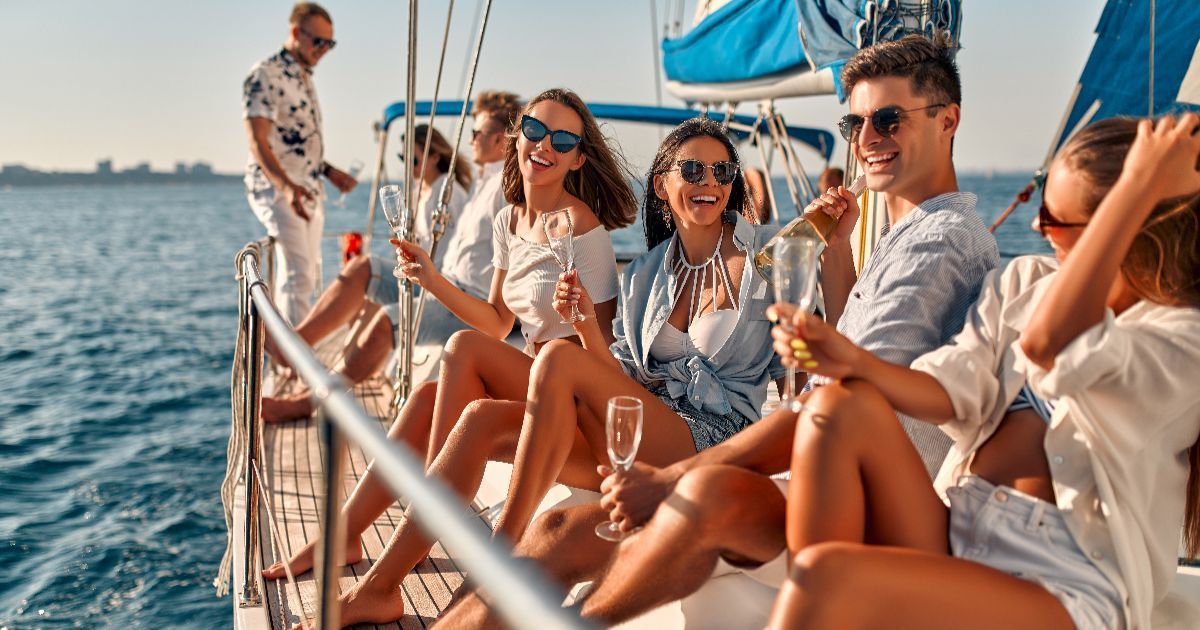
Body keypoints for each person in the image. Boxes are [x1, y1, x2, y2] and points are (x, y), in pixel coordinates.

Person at [438, 33, 1000, 628]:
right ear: (663, 185)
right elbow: (840, 366)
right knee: (546, 510)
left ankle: (495, 568)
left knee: (572, 430)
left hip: (841, 491)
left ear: (948, 122)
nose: (866, 141)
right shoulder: (897, 242)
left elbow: (845, 401)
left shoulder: (934, 245)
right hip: (796, 461)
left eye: (888, 120)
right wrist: (836, 252)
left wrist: (673, 478)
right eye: (854, 124)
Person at [765, 115, 1200, 629]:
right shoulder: (1028, 279)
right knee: (835, 406)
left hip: (1063, 584)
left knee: (824, 574)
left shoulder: (1181, 337)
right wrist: (851, 361)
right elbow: (950, 389)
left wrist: (1138, 186)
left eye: (1057, 221)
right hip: (963, 532)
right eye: (1042, 211)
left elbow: (1046, 345)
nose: (1038, 228)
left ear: (1122, 228)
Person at [263, 88, 638, 627]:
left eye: (562, 140)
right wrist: (432, 280)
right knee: (428, 395)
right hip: (540, 384)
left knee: (461, 355)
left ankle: (394, 564)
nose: (544, 147)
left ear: (579, 157)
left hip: (579, 414)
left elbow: (602, 372)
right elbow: (498, 322)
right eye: (534, 131)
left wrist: (579, 321)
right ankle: (348, 537)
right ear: (518, 136)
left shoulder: (586, 235)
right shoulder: (511, 221)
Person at [260, 91, 521, 421]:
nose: (468, 140)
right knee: (364, 267)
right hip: (445, 283)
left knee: (387, 319)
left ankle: (311, 402)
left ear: (499, 138)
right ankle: (294, 348)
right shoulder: (482, 184)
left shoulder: (503, 189)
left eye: (476, 133)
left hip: (468, 301)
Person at [243, 2, 358, 324]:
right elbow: (258, 141)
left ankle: (290, 351)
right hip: (278, 190)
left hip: (307, 188)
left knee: (303, 271)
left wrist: (329, 171)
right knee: (298, 275)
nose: (324, 50)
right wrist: (287, 188)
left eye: (329, 44)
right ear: (296, 33)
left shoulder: (303, 77)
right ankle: (297, 363)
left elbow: (293, 141)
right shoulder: (265, 75)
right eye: (318, 42)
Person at [404, 124, 473, 270]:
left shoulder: (449, 193)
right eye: (404, 159)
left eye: (414, 160)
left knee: (363, 268)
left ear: (435, 157)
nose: (408, 166)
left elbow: (452, 248)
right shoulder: (418, 192)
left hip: (436, 279)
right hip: (420, 272)